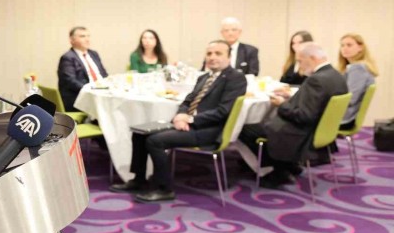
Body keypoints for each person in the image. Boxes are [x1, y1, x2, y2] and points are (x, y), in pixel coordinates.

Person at [110, 40, 247, 202]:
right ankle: (139, 180)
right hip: (190, 124)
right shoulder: (204, 77)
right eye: (209, 53)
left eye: (218, 53)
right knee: (140, 133)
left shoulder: (235, 78)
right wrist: (180, 116)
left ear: (229, 57)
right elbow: (187, 101)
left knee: (155, 141)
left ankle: (164, 188)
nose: (212, 57)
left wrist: (191, 119)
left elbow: (223, 112)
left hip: (209, 130)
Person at [238, 42, 348, 189]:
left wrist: (281, 104)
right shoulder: (335, 76)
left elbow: (304, 116)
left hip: (302, 133)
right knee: (259, 126)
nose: (299, 65)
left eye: (300, 61)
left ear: (313, 58)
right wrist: (291, 96)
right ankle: (288, 165)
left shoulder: (316, 80)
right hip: (320, 130)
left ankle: (273, 172)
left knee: (244, 129)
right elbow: (316, 102)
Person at [57, 26, 108, 112]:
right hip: (81, 98)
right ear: (72, 40)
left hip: (101, 93)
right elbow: (70, 81)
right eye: (82, 36)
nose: (87, 39)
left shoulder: (94, 54)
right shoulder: (67, 57)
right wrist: (92, 89)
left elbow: (104, 74)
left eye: (88, 36)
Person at [337, 33, 378, 129]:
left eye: (349, 45)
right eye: (342, 45)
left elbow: (350, 99)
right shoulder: (358, 67)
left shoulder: (357, 68)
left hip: (344, 119)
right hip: (347, 116)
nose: (344, 48)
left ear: (360, 48)